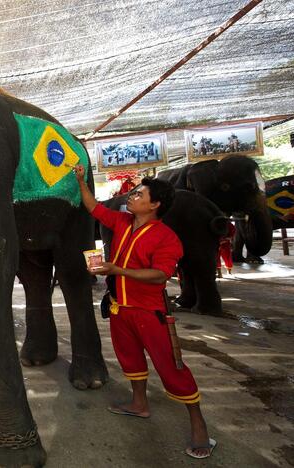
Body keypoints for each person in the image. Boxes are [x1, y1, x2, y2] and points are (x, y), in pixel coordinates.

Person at [74, 164, 216, 459]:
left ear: (155, 205)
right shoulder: (123, 222)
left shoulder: (166, 238)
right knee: (130, 358)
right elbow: (95, 208)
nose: (132, 195)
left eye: (139, 194)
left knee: (171, 366)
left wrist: (117, 269)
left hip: (149, 312)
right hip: (120, 309)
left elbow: (160, 275)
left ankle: (198, 423)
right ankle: (139, 404)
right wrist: (80, 181)